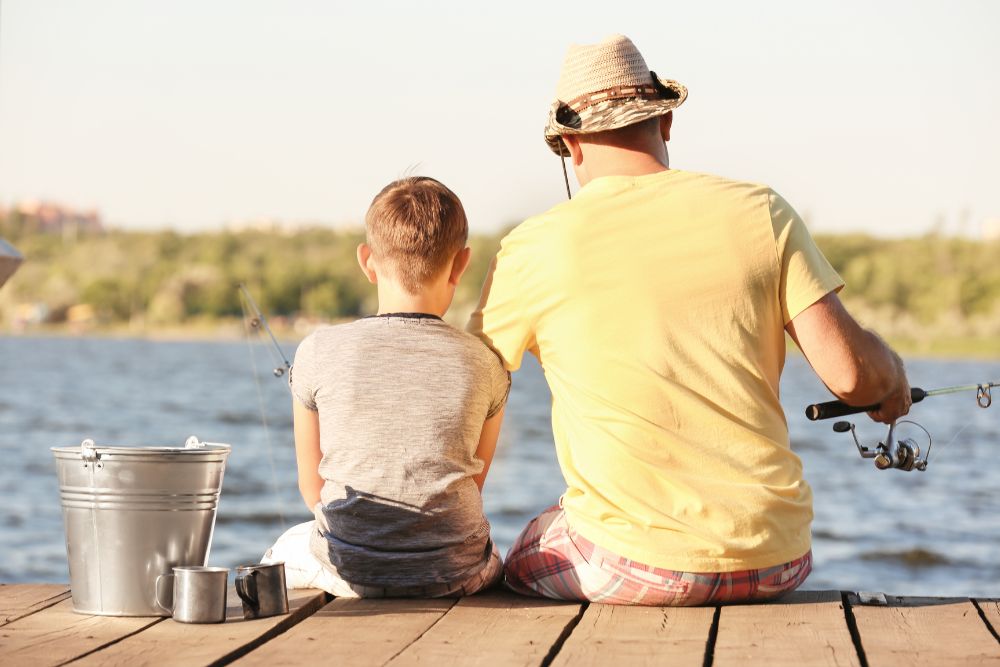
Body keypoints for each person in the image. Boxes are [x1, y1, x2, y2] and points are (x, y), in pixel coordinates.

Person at [468, 35, 911, 606]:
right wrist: (893, 376)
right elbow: (855, 379)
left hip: (629, 565)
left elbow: (467, 394)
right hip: (777, 561)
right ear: (666, 122)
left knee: (516, 554)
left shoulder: (531, 248)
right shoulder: (763, 211)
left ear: (571, 147)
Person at [263, 176, 510, 598]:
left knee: (281, 550)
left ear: (366, 260)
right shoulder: (487, 363)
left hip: (348, 569)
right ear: (461, 263)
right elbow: (473, 485)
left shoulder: (317, 350)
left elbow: (312, 490)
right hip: (456, 574)